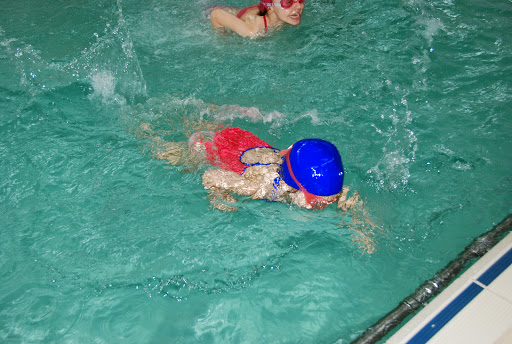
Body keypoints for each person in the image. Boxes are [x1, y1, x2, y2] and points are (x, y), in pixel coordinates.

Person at [138, 123, 360, 212]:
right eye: (318, 203)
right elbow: (211, 177)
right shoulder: (260, 188)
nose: (322, 206)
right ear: (297, 189)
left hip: (247, 144)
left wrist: (361, 224)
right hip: (214, 149)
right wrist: (222, 201)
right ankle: (144, 132)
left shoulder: (321, 186)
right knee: (166, 155)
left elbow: (346, 197)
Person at [209, 0, 305, 38]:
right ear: (270, 8)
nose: (298, 7)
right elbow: (216, 14)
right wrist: (223, 40)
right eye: (288, 2)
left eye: (300, 0)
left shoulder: (284, 15)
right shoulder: (253, 28)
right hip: (207, 13)